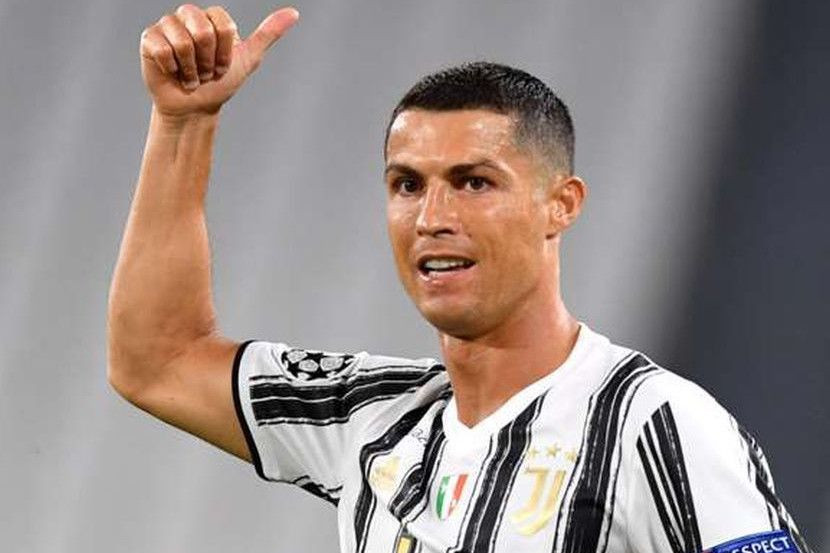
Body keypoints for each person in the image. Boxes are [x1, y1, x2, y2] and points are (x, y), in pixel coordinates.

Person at [107, 5, 813, 553]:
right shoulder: (373, 415)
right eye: (407, 184)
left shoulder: (654, 423)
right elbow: (158, 359)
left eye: (474, 182)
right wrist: (183, 121)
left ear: (561, 205)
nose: (432, 218)